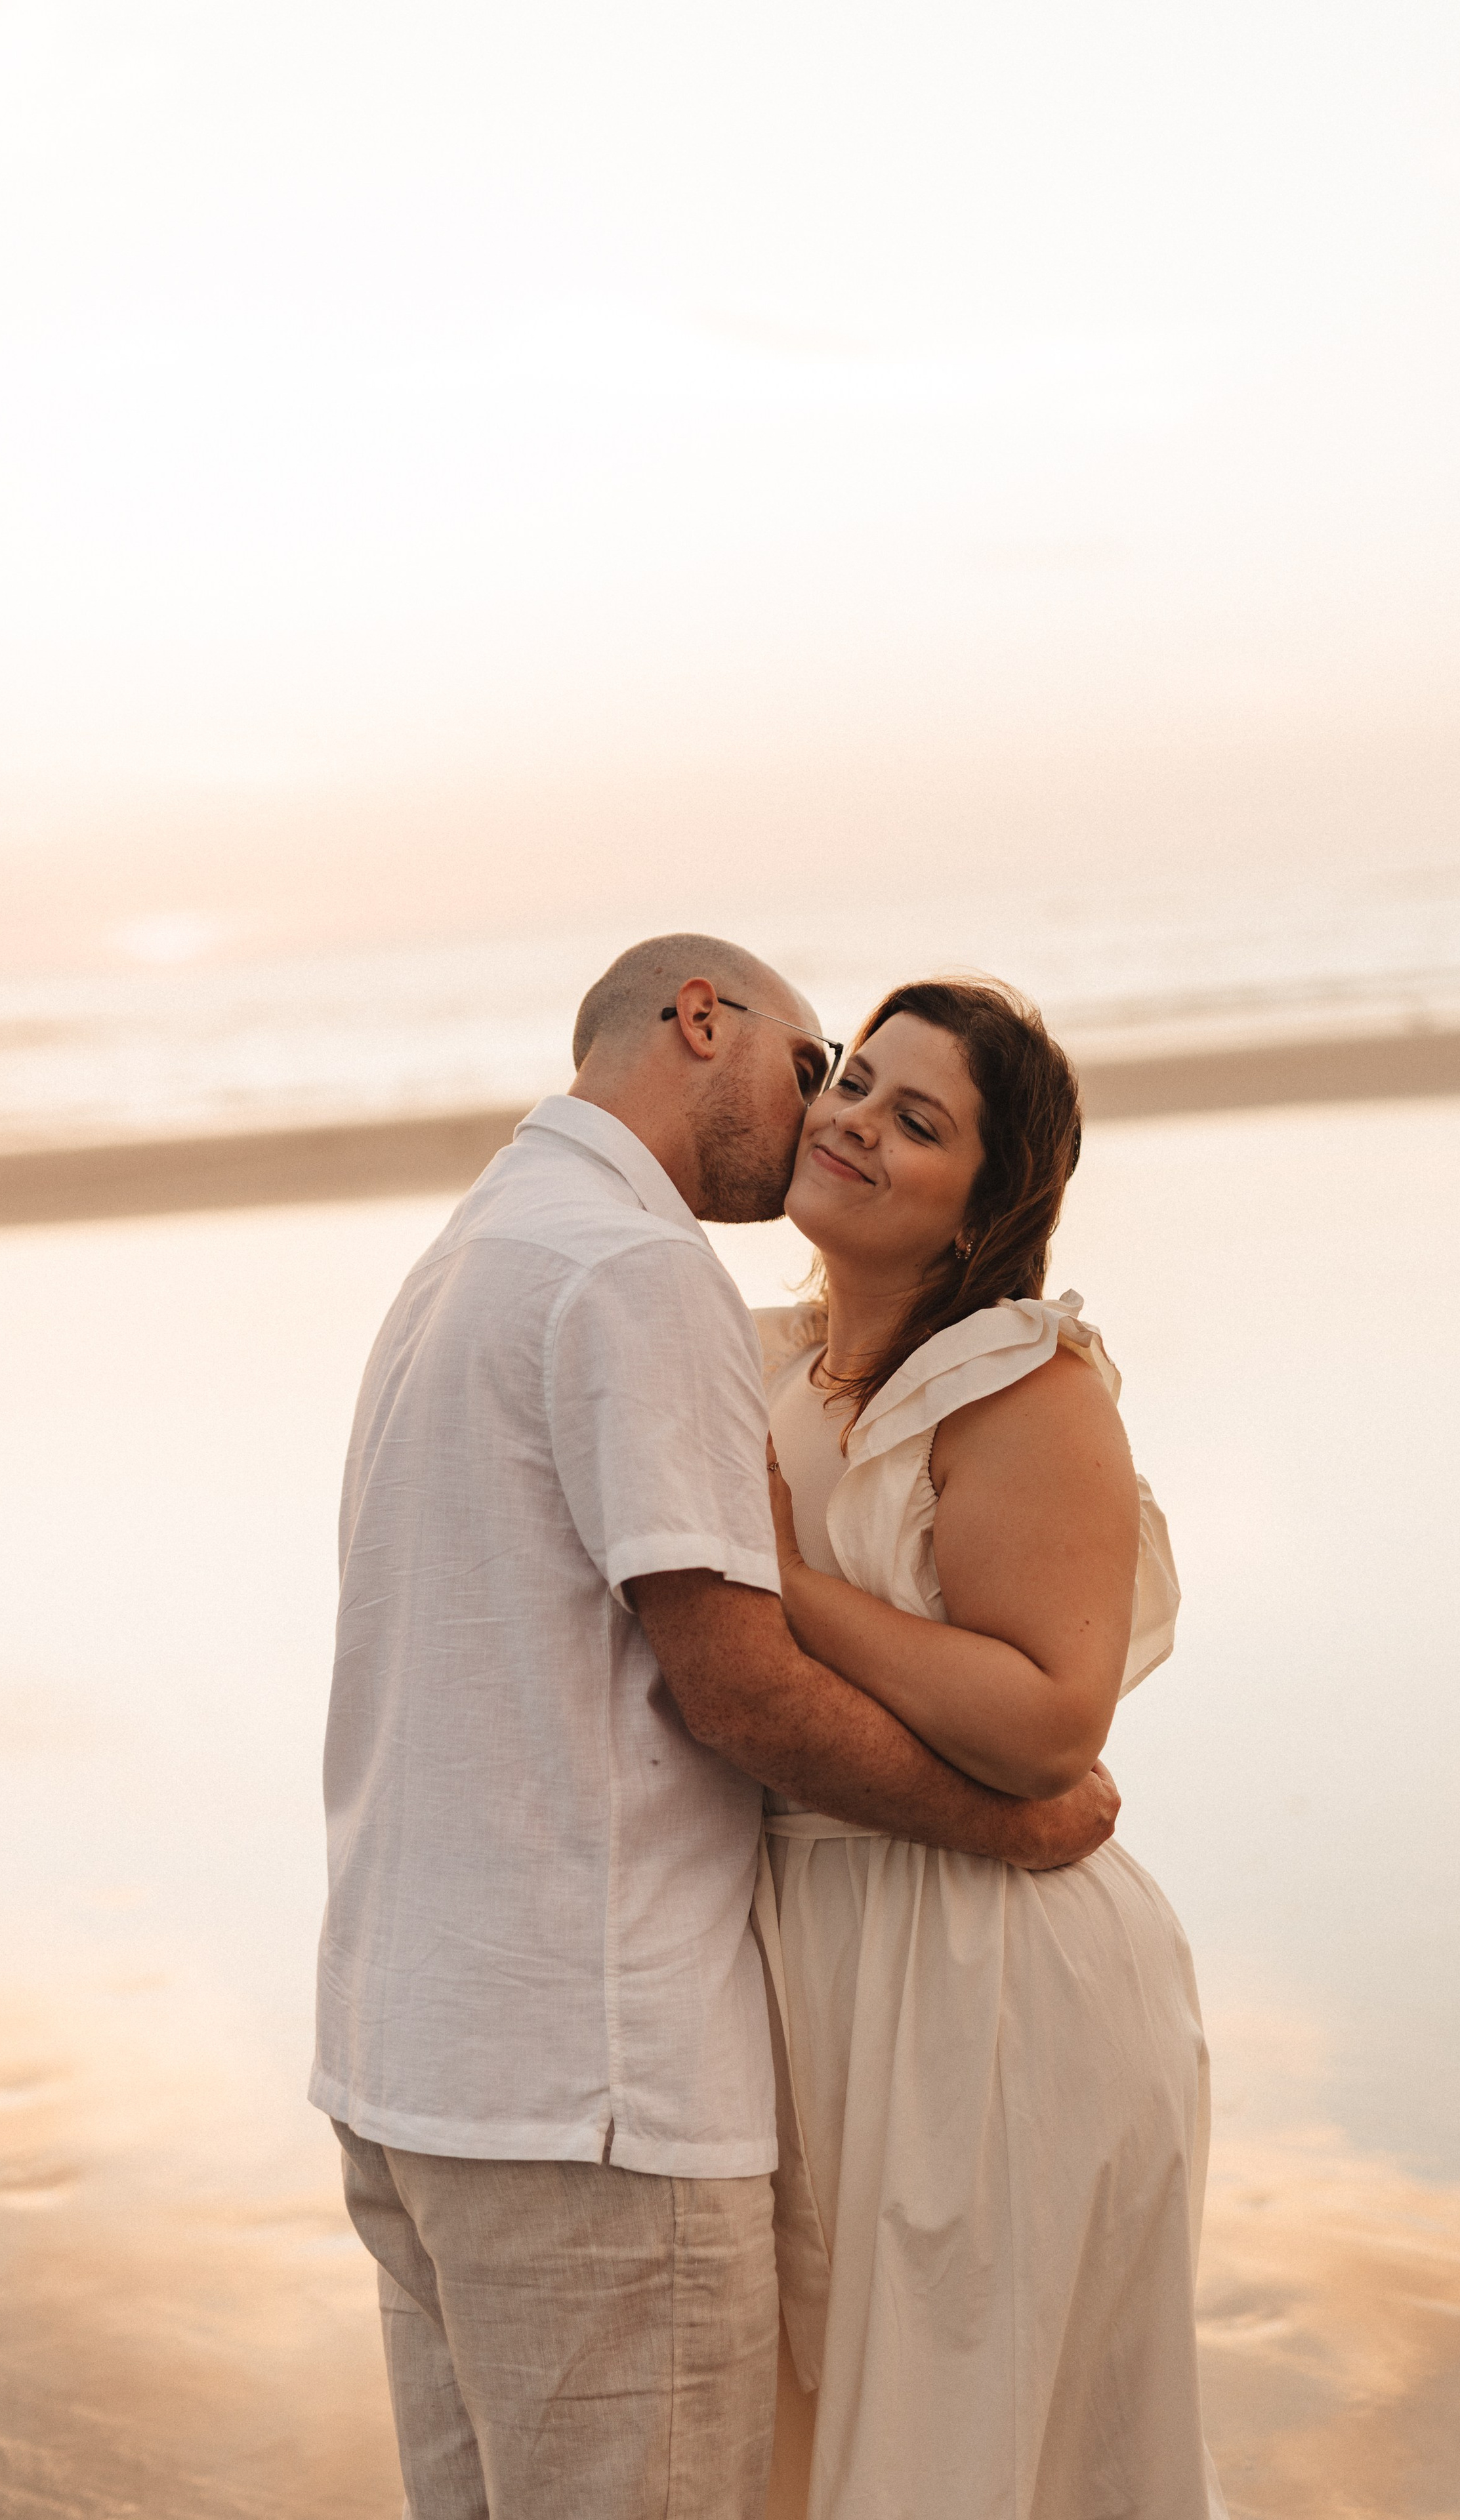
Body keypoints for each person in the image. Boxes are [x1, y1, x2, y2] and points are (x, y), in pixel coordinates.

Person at [309, 935, 1120, 2520]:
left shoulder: (474, 1248)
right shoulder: (635, 1270)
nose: (827, 1110)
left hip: (411, 2064)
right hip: (589, 2097)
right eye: (821, 1064)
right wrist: (1014, 1826)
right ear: (701, 1021)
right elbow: (735, 1685)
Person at [753, 978, 1226, 2520]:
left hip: (991, 1981)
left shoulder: (1018, 1380)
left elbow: (1045, 1723)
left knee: (971, 2445)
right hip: (821, 1957)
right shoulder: (767, 1362)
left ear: (983, 1204)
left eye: (917, 1119)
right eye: (854, 1081)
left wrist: (789, 1588)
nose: (852, 1124)